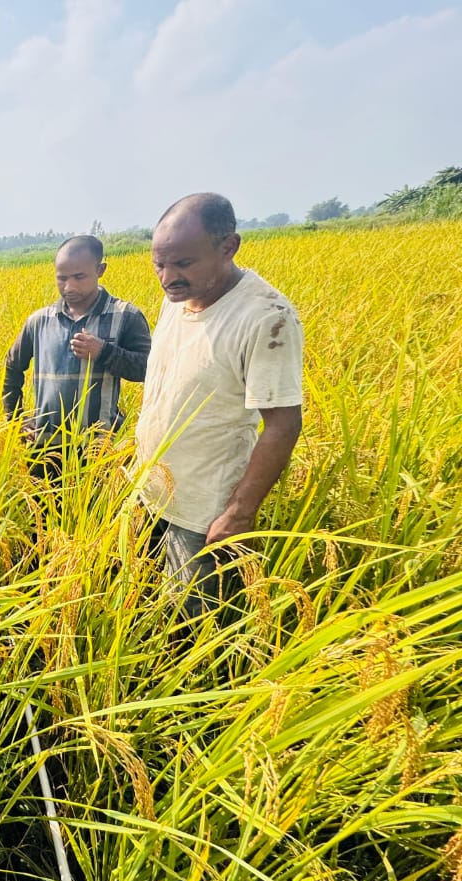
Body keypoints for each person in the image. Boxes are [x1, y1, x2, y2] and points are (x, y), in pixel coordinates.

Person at [134, 192, 303, 613]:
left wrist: (239, 513)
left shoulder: (266, 317)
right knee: (146, 608)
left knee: (194, 625)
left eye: (183, 264)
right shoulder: (176, 299)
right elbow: (168, 385)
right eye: (159, 264)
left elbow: (283, 424)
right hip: (149, 494)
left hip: (203, 512)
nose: (168, 276)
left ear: (229, 247)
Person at [2, 235, 151, 480]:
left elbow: (149, 369)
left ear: (100, 270)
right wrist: (15, 420)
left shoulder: (125, 316)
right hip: (45, 448)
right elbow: (12, 366)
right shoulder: (40, 321)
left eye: (79, 277)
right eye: (62, 278)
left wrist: (104, 351)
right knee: (43, 515)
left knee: (97, 515)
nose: (69, 287)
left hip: (100, 449)